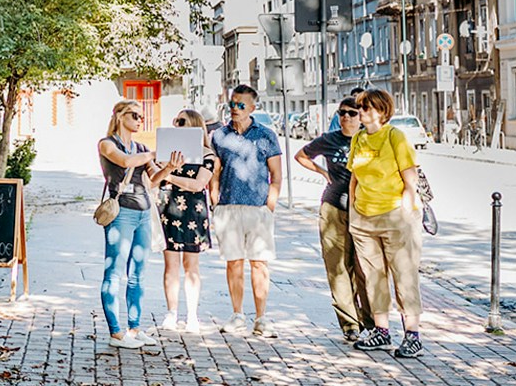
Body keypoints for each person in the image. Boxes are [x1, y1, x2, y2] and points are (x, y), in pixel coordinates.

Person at [346, 88, 425, 358]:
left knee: (404, 275)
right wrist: (354, 211)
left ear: (382, 111)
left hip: (395, 215)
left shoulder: (395, 137)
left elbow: (410, 178)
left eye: (366, 107)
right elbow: (354, 177)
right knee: (373, 277)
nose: (360, 112)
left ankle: (412, 336)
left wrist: (405, 211)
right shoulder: (358, 139)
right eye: (359, 107)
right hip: (364, 218)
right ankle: (381, 331)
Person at [99, 99, 181, 349]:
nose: (139, 120)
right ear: (120, 116)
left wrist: (169, 167)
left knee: (138, 274)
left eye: (141, 116)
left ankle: (134, 328)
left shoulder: (141, 147)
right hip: (121, 212)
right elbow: (124, 161)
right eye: (134, 115)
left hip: (144, 212)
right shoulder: (107, 144)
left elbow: (153, 179)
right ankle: (115, 333)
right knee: (114, 272)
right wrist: (155, 153)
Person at [293, 93, 374, 341]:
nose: (346, 117)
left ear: (361, 116)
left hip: (364, 211)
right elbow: (301, 155)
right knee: (337, 267)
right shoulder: (329, 139)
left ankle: (370, 321)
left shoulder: (370, 139)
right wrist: (322, 172)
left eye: (352, 113)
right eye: (342, 113)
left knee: (363, 268)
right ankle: (349, 323)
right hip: (334, 208)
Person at [208, 84, 283, 337]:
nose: (235, 109)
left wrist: (269, 206)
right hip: (228, 207)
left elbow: (276, 175)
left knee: (259, 263)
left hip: (258, 208)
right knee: (234, 263)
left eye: (241, 105)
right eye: (232, 104)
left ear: (252, 107)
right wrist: (214, 197)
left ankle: (261, 318)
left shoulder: (266, 135)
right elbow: (215, 170)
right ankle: (237, 314)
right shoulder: (219, 135)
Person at [158, 108, 217, 332]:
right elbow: (154, 176)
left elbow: (198, 184)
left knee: (191, 265)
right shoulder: (167, 151)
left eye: (181, 121)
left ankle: (192, 315)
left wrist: (169, 176)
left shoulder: (207, 155)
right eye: (175, 120)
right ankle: (171, 313)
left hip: (194, 212)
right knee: (170, 264)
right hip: (169, 208)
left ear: (194, 124)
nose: (176, 125)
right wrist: (166, 172)